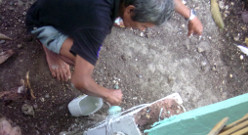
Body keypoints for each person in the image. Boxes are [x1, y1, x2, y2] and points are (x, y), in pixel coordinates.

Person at [25, 0, 204, 105]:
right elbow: (80, 81)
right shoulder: (98, 25)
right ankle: (48, 46)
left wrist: (191, 16)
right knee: (79, 56)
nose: (141, 30)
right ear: (130, 9)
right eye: (142, 26)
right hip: (40, 19)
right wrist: (107, 93)